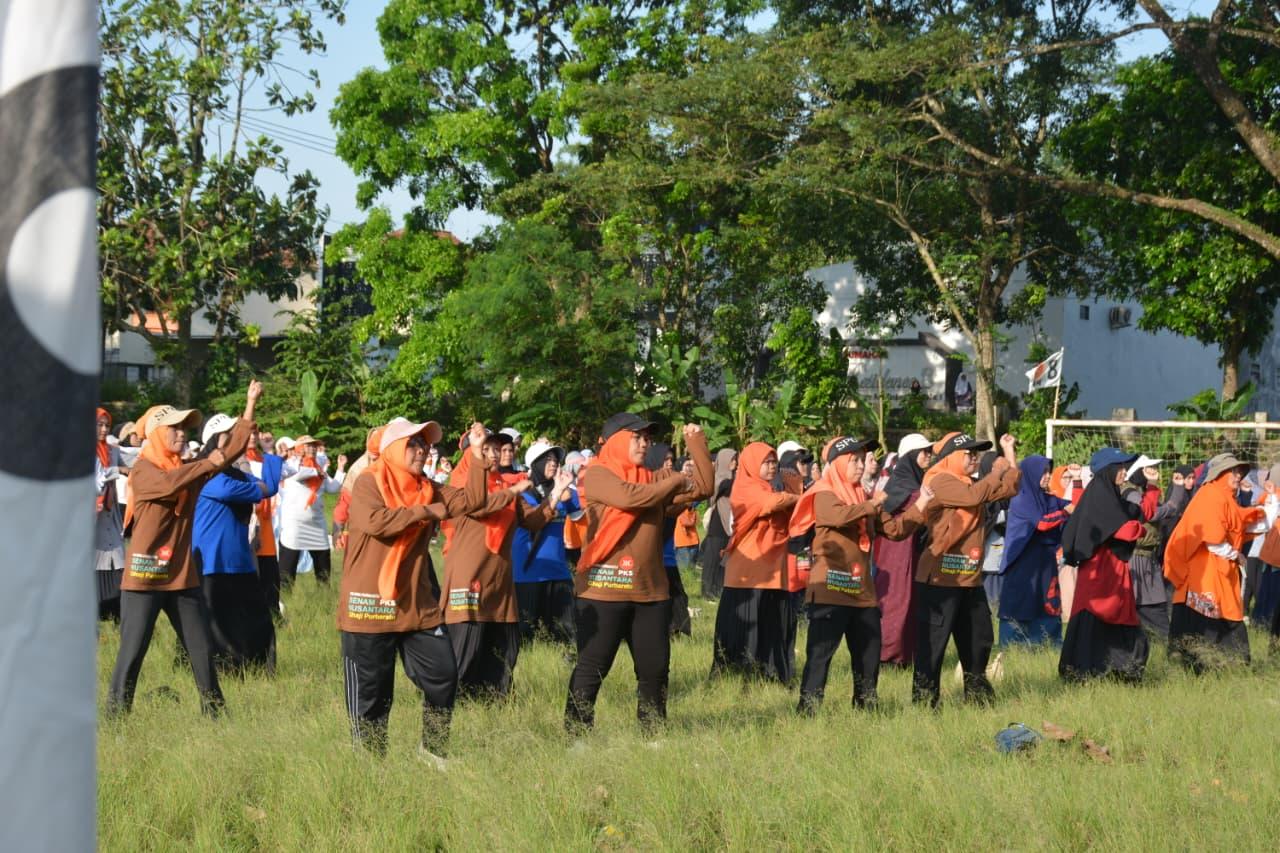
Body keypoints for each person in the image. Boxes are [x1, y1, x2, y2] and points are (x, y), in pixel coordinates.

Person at [338, 420, 489, 763]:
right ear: (392, 449)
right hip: (370, 606)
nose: (423, 450)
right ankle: (369, 764)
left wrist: (477, 454)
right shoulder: (368, 482)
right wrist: (426, 511)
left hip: (416, 605)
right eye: (413, 444)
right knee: (372, 694)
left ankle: (433, 752)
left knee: (443, 674)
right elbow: (375, 522)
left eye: (425, 445)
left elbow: (474, 501)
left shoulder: (428, 487)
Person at [106, 388, 255, 717]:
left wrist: (249, 408)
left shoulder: (189, 470)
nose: (181, 433)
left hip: (181, 576)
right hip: (144, 578)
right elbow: (169, 483)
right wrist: (206, 464)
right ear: (158, 434)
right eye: (173, 428)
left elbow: (226, 454)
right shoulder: (144, 471)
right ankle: (116, 717)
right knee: (133, 653)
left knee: (201, 649)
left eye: (184, 427)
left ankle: (215, 713)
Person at [564, 415, 711, 735]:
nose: (645, 443)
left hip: (650, 593)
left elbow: (703, 488)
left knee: (655, 669)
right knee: (592, 668)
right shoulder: (598, 474)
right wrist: (673, 480)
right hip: (603, 590)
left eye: (648, 438)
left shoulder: (653, 479)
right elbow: (631, 498)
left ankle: (653, 735)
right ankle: (576, 736)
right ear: (616, 440)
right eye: (637, 437)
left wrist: (696, 443)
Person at [791, 437, 933, 712]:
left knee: (868, 655)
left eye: (861, 459)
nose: (860, 465)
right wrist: (873, 505)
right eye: (854, 460)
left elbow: (895, 530)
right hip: (831, 588)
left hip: (862, 592)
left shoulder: (865, 497)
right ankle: (808, 710)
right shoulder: (824, 492)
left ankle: (866, 708)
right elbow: (838, 517)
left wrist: (922, 505)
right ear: (840, 463)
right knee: (820, 656)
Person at [441, 431, 565, 699]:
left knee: (503, 645)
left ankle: (492, 701)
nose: (496, 453)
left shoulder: (505, 484)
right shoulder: (464, 479)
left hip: (499, 578)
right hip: (470, 575)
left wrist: (555, 494)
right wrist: (511, 491)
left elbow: (531, 520)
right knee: (465, 644)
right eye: (489, 448)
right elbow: (477, 506)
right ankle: (447, 703)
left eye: (499, 448)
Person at [912, 432, 1020, 707]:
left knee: (978, 640)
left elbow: (1010, 487)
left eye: (976, 454)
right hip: (939, 580)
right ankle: (925, 704)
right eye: (969, 453)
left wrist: (1008, 454)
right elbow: (972, 497)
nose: (974, 458)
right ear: (951, 456)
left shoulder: (971, 482)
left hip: (968, 580)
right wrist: (995, 470)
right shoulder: (939, 479)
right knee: (932, 647)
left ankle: (978, 699)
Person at [192, 389, 284, 675]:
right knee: (219, 623)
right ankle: (225, 672)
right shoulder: (207, 474)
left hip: (240, 561)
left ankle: (259, 669)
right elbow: (256, 492)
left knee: (257, 619)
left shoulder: (236, 473)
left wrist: (269, 453)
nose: (236, 440)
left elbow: (270, 487)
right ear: (213, 442)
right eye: (228, 435)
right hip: (212, 562)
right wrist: (257, 489)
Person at [1164, 452, 1272, 672]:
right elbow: (1212, 539)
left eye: (1239, 471)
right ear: (1220, 473)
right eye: (1233, 470)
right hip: (1203, 574)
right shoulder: (1211, 496)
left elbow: (1242, 524)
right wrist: (1236, 554)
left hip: (1218, 571)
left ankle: (1225, 665)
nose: (1238, 475)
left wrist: (1272, 504)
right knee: (1208, 616)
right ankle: (1209, 665)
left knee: (1222, 614)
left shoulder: (1225, 498)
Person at [712, 441, 801, 683]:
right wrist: (796, 496)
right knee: (746, 629)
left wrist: (794, 490)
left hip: (774, 570)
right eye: (767, 462)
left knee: (772, 625)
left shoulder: (773, 488)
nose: (772, 467)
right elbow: (769, 504)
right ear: (751, 464)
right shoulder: (745, 487)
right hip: (748, 571)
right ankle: (738, 676)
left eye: (775, 462)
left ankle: (771, 675)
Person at [1058, 448, 1149, 683]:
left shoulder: (1109, 494)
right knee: (1100, 612)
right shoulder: (1100, 494)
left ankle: (1115, 669)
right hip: (1101, 570)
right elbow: (1126, 531)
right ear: (1107, 470)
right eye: (1119, 467)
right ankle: (1098, 669)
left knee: (1112, 614)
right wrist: (1140, 528)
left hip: (1109, 568)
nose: (1124, 471)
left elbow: (1137, 515)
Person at [997, 455, 1072, 647]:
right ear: (1031, 473)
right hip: (1022, 564)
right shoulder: (1021, 499)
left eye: (1049, 471)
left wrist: (1078, 480)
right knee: (1021, 603)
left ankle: (1049, 645)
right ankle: (1013, 646)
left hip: (1045, 564)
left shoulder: (1049, 499)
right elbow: (1043, 523)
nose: (1047, 476)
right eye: (1043, 472)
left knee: (1046, 603)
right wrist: (1065, 513)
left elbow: (1074, 507)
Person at [513, 441, 581, 644]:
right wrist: (557, 493)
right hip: (529, 571)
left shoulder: (564, 491)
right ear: (535, 463)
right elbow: (533, 518)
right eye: (547, 459)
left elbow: (578, 517)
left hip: (558, 569)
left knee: (566, 628)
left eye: (555, 459)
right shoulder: (523, 493)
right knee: (527, 629)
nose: (553, 463)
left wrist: (568, 492)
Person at [873, 433, 933, 666]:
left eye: (930, 451)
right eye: (924, 451)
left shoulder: (915, 482)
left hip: (911, 551)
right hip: (896, 553)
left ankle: (905, 653)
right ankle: (889, 655)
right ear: (910, 456)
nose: (929, 455)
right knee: (897, 601)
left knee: (911, 602)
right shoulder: (903, 485)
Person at [1123, 456, 1188, 640]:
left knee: (1157, 607)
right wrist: (1152, 485)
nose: (1153, 471)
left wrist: (1178, 487)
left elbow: (1170, 509)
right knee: (1131, 606)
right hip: (1132, 560)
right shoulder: (1128, 492)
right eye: (1148, 468)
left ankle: (1166, 647)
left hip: (1149, 559)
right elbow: (1152, 514)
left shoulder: (1145, 492)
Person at [278, 436, 346, 587]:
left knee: (323, 572)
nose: (313, 449)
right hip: (295, 524)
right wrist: (316, 471)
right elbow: (299, 475)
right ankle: (285, 605)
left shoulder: (319, 467)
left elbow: (332, 488)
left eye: (315, 446)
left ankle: (323, 602)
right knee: (287, 573)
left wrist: (340, 468)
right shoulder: (291, 464)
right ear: (299, 448)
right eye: (309, 446)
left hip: (317, 523)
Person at [646, 442, 695, 637]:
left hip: (667, 556)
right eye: (665, 459)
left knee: (677, 596)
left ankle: (677, 632)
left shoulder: (675, 486)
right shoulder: (648, 487)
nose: (669, 463)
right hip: (651, 558)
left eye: (671, 460)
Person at [95, 407, 128, 622]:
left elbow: (132, 461)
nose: (104, 429)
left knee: (117, 563)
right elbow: (95, 480)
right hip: (91, 518)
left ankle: (117, 617)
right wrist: (117, 471)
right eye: (99, 424)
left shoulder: (113, 451)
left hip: (111, 514)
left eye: (107, 424)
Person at [698, 449, 736, 601]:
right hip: (718, 524)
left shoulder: (732, 479)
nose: (735, 462)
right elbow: (725, 487)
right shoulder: (720, 480)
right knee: (712, 560)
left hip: (729, 524)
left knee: (723, 561)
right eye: (732, 459)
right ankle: (707, 591)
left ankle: (718, 589)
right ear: (726, 461)